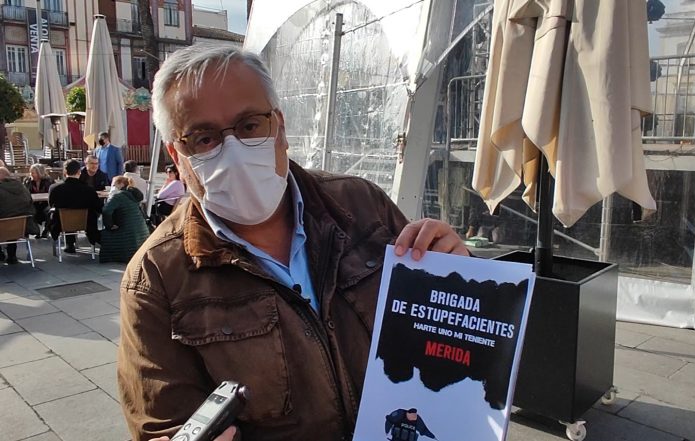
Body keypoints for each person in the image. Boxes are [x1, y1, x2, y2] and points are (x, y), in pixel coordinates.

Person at [117, 43, 470, 441]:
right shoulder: (156, 278)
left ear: (280, 128)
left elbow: (447, 337)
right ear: (176, 156)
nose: (233, 151)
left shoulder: (362, 205)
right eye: (203, 138)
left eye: (250, 125)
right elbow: (163, 423)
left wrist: (459, 274)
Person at [48, 159, 102, 253]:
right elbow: (98, 206)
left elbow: (51, 204)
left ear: (65, 172)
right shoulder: (89, 190)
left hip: (62, 223)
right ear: (79, 172)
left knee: (64, 212)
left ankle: (70, 244)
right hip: (86, 222)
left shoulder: (55, 188)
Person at [99, 176, 150, 263]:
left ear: (121, 184)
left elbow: (106, 211)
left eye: (114, 185)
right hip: (141, 232)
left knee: (106, 234)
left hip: (127, 233)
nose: (113, 187)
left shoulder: (118, 196)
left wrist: (109, 225)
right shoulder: (133, 195)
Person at [0, 167, 39, 264]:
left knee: (6, 220)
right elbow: (30, 204)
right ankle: (12, 256)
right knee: (12, 221)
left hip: (3, 226)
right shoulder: (22, 187)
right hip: (23, 226)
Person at [23, 164, 54, 238]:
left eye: (33, 173)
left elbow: (52, 194)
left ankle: (46, 230)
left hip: (45, 203)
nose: (31, 174)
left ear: (40, 173)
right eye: (31, 172)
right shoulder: (28, 181)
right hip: (33, 203)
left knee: (49, 211)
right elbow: (25, 193)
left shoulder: (49, 181)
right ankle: (35, 231)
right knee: (30, 211)